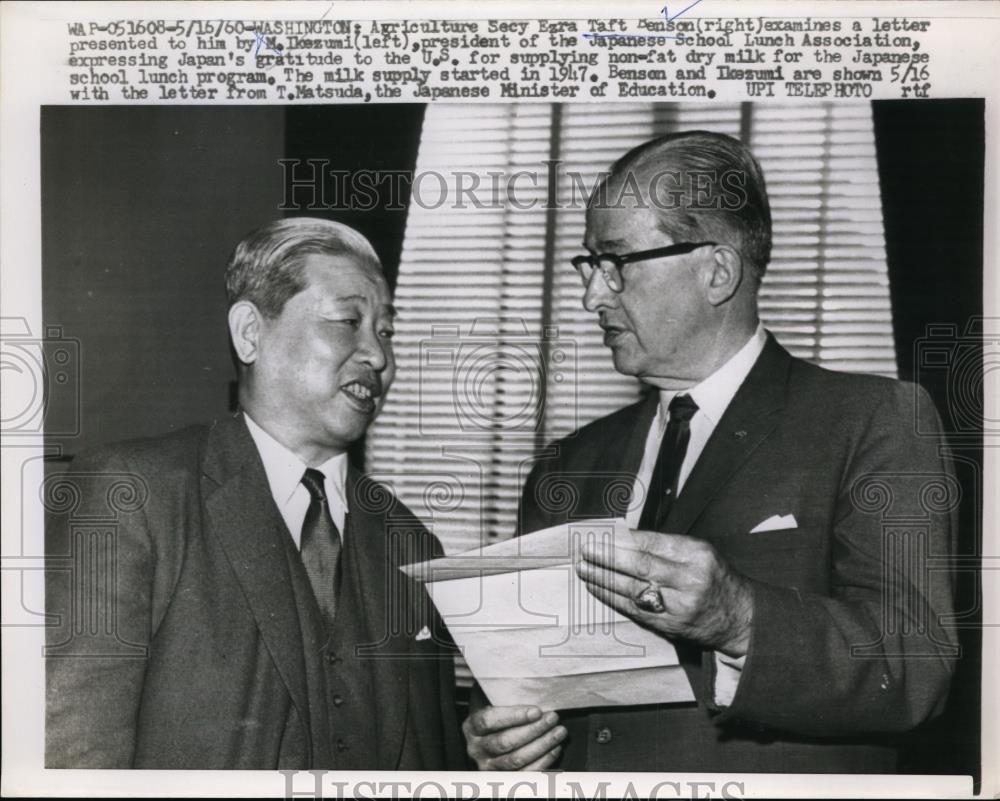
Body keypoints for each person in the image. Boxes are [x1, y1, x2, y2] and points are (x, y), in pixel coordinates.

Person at [463, 131, 958, 772]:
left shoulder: (873, 420)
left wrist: (741, 617)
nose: (592, 297)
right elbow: (523, 684)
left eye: (617, 263)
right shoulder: (565, 466)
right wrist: (500, 737)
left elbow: (915, 667)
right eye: (589, 265)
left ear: (717, 272)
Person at [45, 217, 464, 769]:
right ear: (250, 333)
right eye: (348, 321)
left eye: (385, 331)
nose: (379, 356)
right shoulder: (132, 494)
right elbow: (74, 755)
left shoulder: (410, 543)